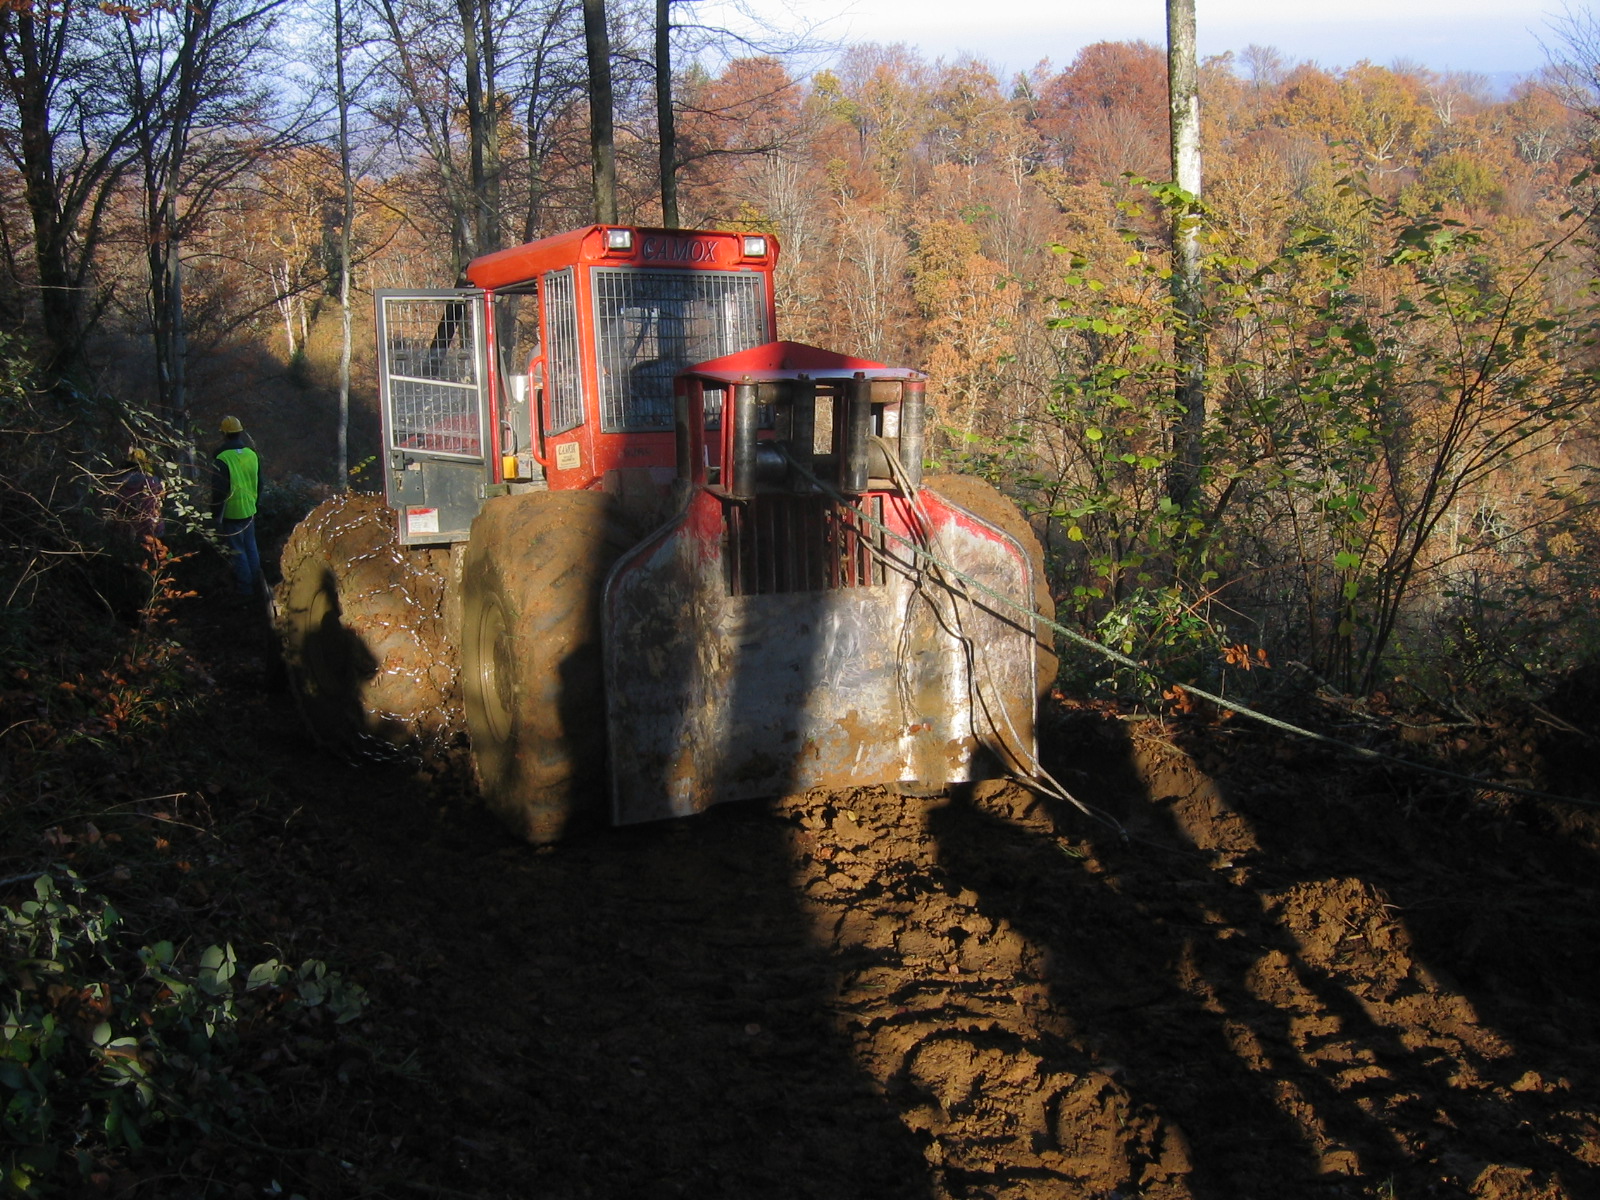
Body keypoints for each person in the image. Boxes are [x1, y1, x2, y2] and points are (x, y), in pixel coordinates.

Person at [212, 415, 264, 598]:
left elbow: (219, 490)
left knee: (238, 551)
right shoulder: (252, 454)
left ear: (224, 434)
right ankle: (258, 586)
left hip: (231, 513)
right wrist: (255, 504)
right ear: (240, 432)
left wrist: (215, 514)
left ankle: (246, 591)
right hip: (249, 510)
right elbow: (260, 483)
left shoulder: (222, 458)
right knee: (251, 547)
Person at [107, 447, 166, 552]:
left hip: (126, 531)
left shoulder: (119, 482)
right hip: (153, 529)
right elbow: (159, 503)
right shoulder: (154, 482)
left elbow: (113, 505)